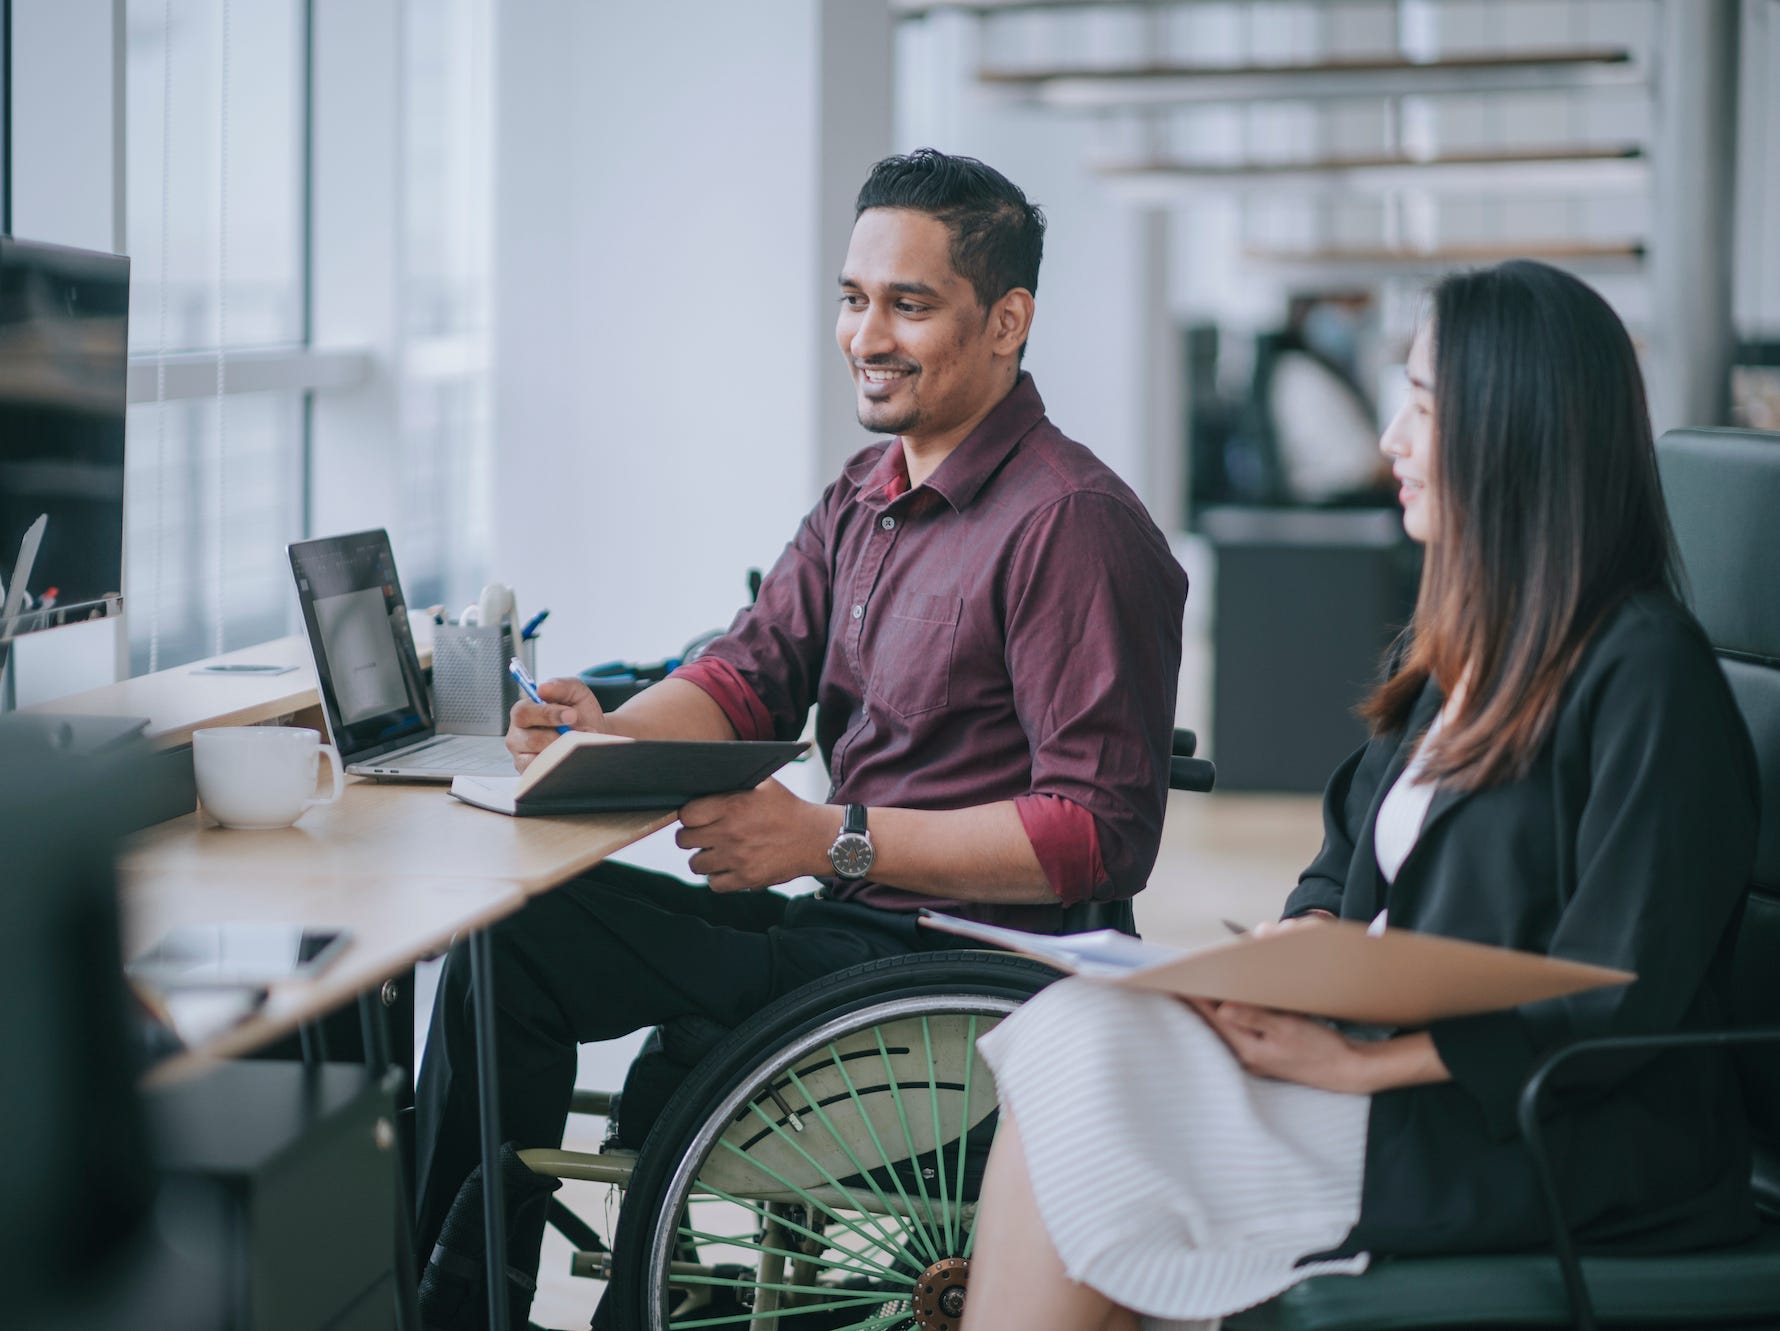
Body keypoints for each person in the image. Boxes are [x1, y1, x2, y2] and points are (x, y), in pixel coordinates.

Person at [411, 148, 1188, 1318]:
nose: (866, 334)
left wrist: (831, 837)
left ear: (1006, 320)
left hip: (959, 981)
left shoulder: (1070, 525)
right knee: (508, 931)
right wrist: (607, 734)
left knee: (539, 957)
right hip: (843, 938)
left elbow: (1098, 835)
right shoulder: (865, 492)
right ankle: (458, 1300)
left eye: (908, 304)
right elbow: (747, 672)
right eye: (853, 297)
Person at [961, 259, 1760, 1331]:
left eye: (1422, 404)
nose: (1388, 438)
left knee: (1094, 1086)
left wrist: (1353, 1061)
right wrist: (1302, 941)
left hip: (1545, 1125)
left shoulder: (1644, 672)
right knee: (1080, 1026)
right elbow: (1348, 853)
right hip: (1398, 1072)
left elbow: (1615, 990)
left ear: (1512, 430)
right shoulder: (1457, 656)